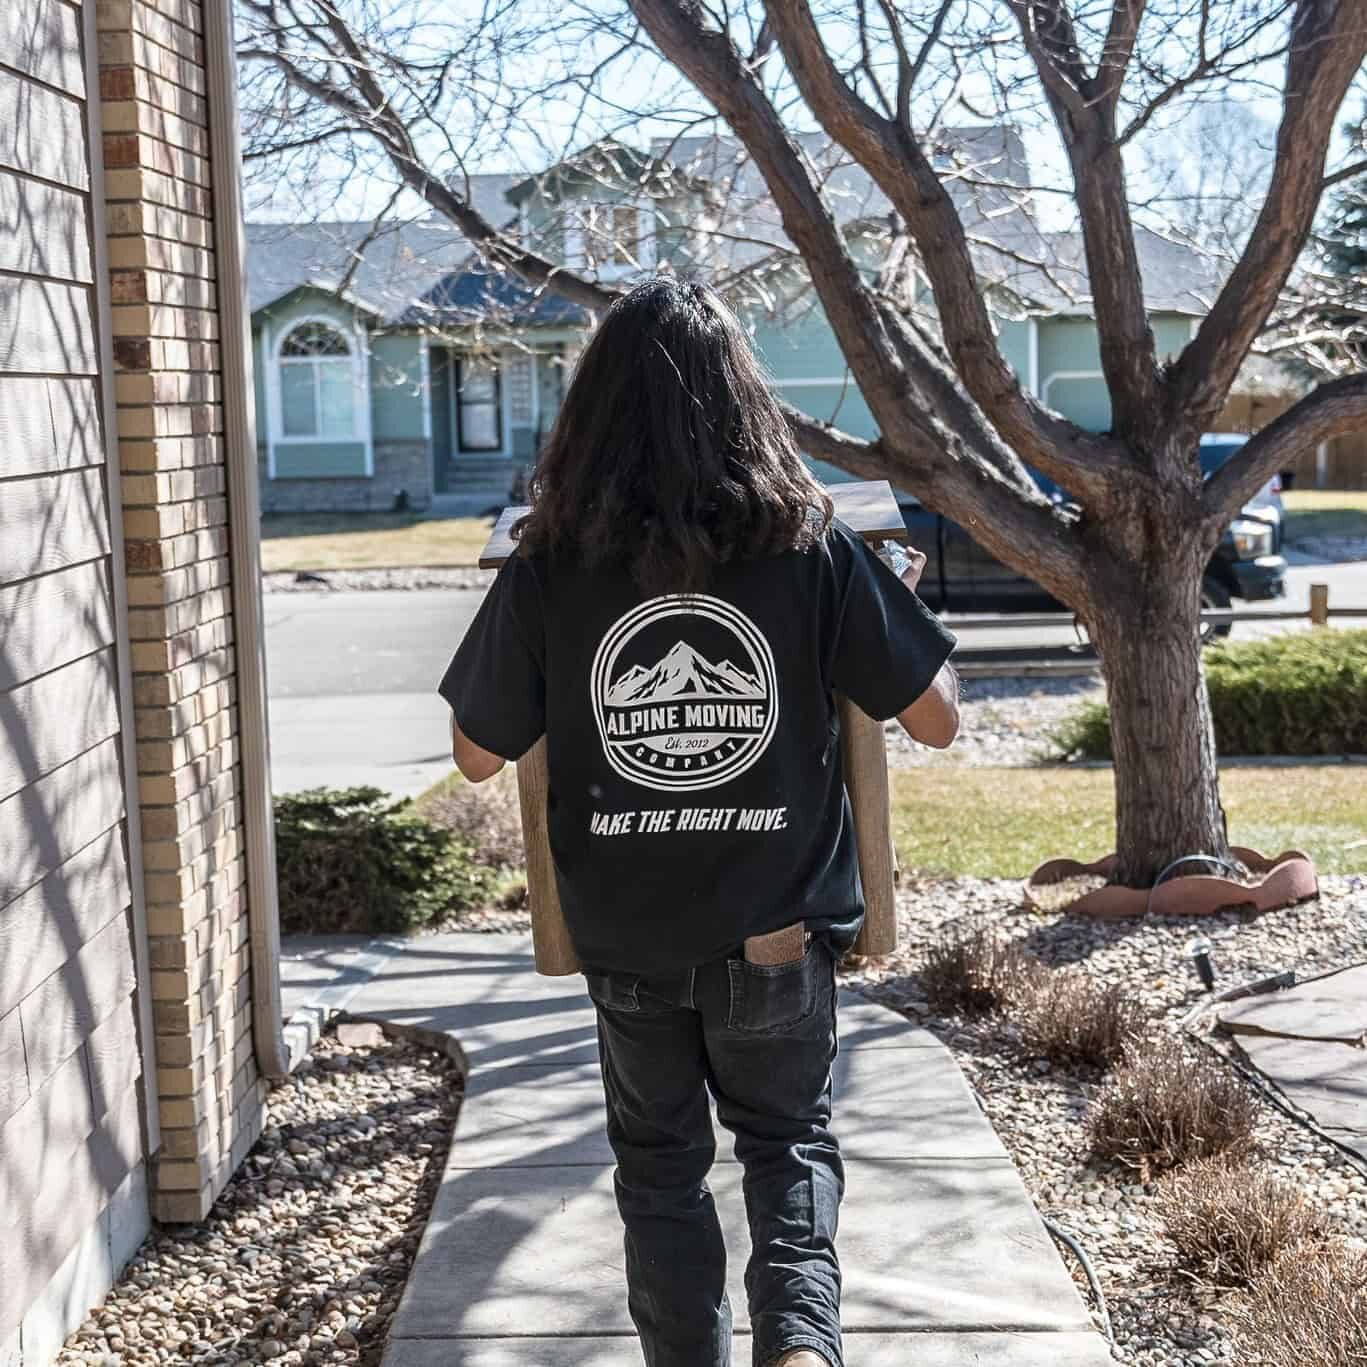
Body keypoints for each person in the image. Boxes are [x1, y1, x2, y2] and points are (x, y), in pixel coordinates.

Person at [438, 277, 959, 1367]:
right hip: (774, 931)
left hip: (627, 939)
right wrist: (888, 600)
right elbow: (937, 720)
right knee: (785, 1144)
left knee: (660, 1167)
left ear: (592, 419)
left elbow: (477, 752)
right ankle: (803, 1350)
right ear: (745, 402)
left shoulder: (550, 567)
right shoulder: (813, 548)